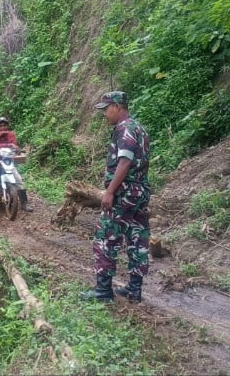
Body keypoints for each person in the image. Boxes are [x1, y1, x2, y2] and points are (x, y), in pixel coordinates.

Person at [80, 91, 150, 303]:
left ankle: (103, 291)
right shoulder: (140, 128)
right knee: (138, 238)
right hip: (140, 192)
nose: (104, 114)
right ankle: (134, 290)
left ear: (117, 106)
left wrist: (110, 191)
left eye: (106, 109)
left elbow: (125, 161)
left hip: (123, 193)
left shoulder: (125, 129)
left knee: (106, 237)